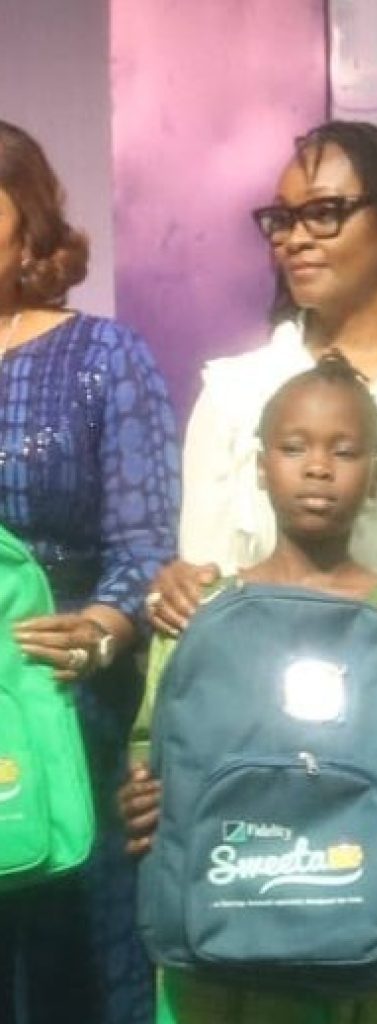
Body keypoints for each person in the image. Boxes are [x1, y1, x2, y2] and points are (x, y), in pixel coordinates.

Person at [143, 119, 377, 1020]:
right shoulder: (237, 392)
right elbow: (204, 610)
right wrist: (176, 601)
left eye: (323, 212)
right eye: (280, 218)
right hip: (258, 808)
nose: (295, 237)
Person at [122, 354, 377, 1024]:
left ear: (376, 476)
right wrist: (138, 798)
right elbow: (150, 760)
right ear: (260, 466)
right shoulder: (195, 614)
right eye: (294, 447)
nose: (319, 468)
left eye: (345, 451)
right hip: (219, 956)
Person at [0, 121, 180, 1024]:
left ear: (28, 217)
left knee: (75, 977)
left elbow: (145, 545)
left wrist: (102, 631)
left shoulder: (105, 356)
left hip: (71, 706)